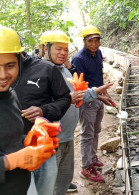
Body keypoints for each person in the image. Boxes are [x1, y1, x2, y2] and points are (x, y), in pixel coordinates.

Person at [0, 24, 55, 194]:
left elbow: (0, 137)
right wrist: (10, 161)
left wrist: (31, 139)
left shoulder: (9, 93)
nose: (3, 75)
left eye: (10, 65)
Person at [41, 30, 114, 193]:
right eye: (58, 49)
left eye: (65, 49)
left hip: (67, 132)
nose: (63, 53)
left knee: (64, 171)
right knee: (49, 178)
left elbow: (76, 86)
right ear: (45, 48)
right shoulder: (43, 71)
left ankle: (66, 182)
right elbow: (64, 97)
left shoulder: (63, 67)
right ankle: (85, 167)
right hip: (53, 136)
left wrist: (98, 94)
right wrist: (92, 94)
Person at [15, 34, 72, 194]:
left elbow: (64, 98)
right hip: (11, 149)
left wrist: (43, 110)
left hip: (42, 144)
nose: (3, 70)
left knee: (45, 190)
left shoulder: (45, 69)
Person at [72, 25, 114, 182]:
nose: (95, 44)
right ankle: (86, 167)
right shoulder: (78, 59)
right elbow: (79, 85)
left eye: (97, 41)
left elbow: (98, 76)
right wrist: (97, 96)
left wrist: (105, 93)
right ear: (84, 41)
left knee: (96, 130)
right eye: (91, 41)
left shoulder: (98, 53)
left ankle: (93, 157)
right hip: (87, 101)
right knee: (87, 133)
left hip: (98, 98)